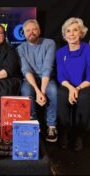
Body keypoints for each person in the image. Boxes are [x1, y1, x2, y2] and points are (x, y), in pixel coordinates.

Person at [17, 19, 58, 143]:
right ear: (24, 34)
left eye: (34, 29)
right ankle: (34, 124)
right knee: (26, 91)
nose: (31, 32)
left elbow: (47, 67)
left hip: (46, 77)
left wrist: (43, 91)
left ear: (39, 31)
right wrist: (37, 91)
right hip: (30, 79)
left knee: (54, 91)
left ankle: (52, 126)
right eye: (28, 30)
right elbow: (26, 70)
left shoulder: (49, 43)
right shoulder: (20, 48)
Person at [56, 17, 90, 151]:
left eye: (75, 30)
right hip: (67, 85)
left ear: (81, 33)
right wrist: (71, 88)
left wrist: (78, 88)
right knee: (61, 94)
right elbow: (60, 75)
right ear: (65, 35)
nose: (71, 34)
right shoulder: (60, 52)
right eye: (68, 31)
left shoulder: (88, 49)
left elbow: (89, 74)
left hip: (85, 85)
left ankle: (78, 135)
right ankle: (64, 132)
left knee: (84, 98)